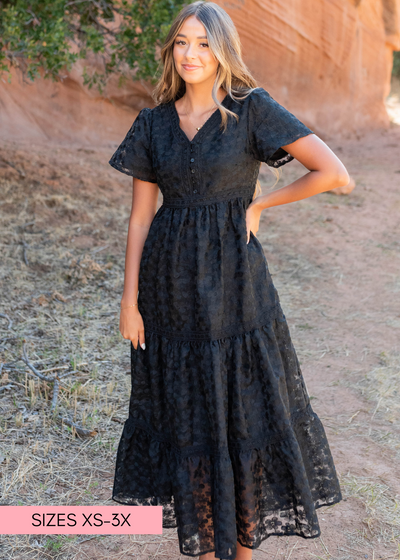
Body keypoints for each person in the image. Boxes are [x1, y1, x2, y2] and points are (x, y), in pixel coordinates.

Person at [108, 2, 348, 559]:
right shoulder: (152, 123)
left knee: (243, 414)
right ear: (171, 49)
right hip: (167, 291)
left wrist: (262, 204)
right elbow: (141, 216)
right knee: (188, 415)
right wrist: (129, 300)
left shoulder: (251, 110)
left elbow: (332, 171)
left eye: (204, 43)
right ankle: (209, 544)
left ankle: (241, 549)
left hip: (237, 288)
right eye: (182, 42)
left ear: (223, 50)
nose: (191, 54)